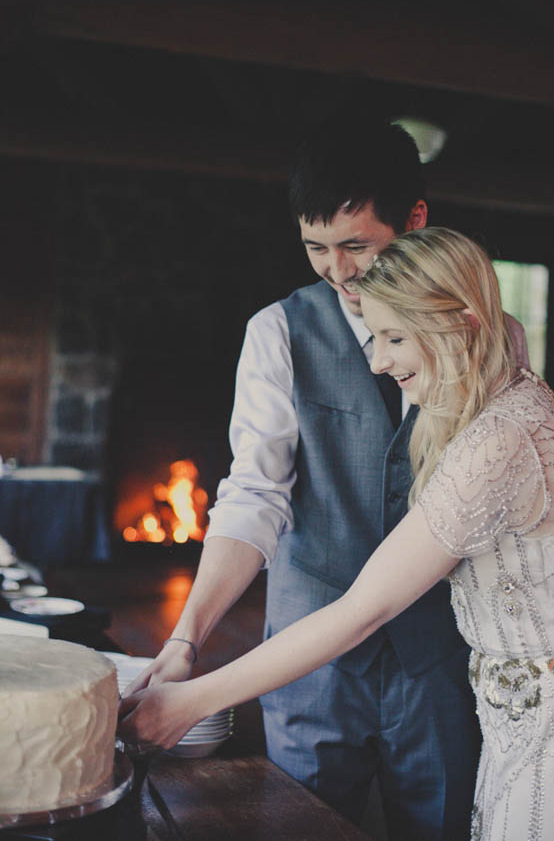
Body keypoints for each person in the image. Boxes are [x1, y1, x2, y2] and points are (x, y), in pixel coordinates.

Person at [119, 113, 526, 840]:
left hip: (441, 658)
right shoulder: (276, 333)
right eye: (315, 248)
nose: (337, 270)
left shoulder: (485, 339)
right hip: (307, 659)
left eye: (356, 246)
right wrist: (185, 639)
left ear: (416, 220)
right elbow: (255, 492)